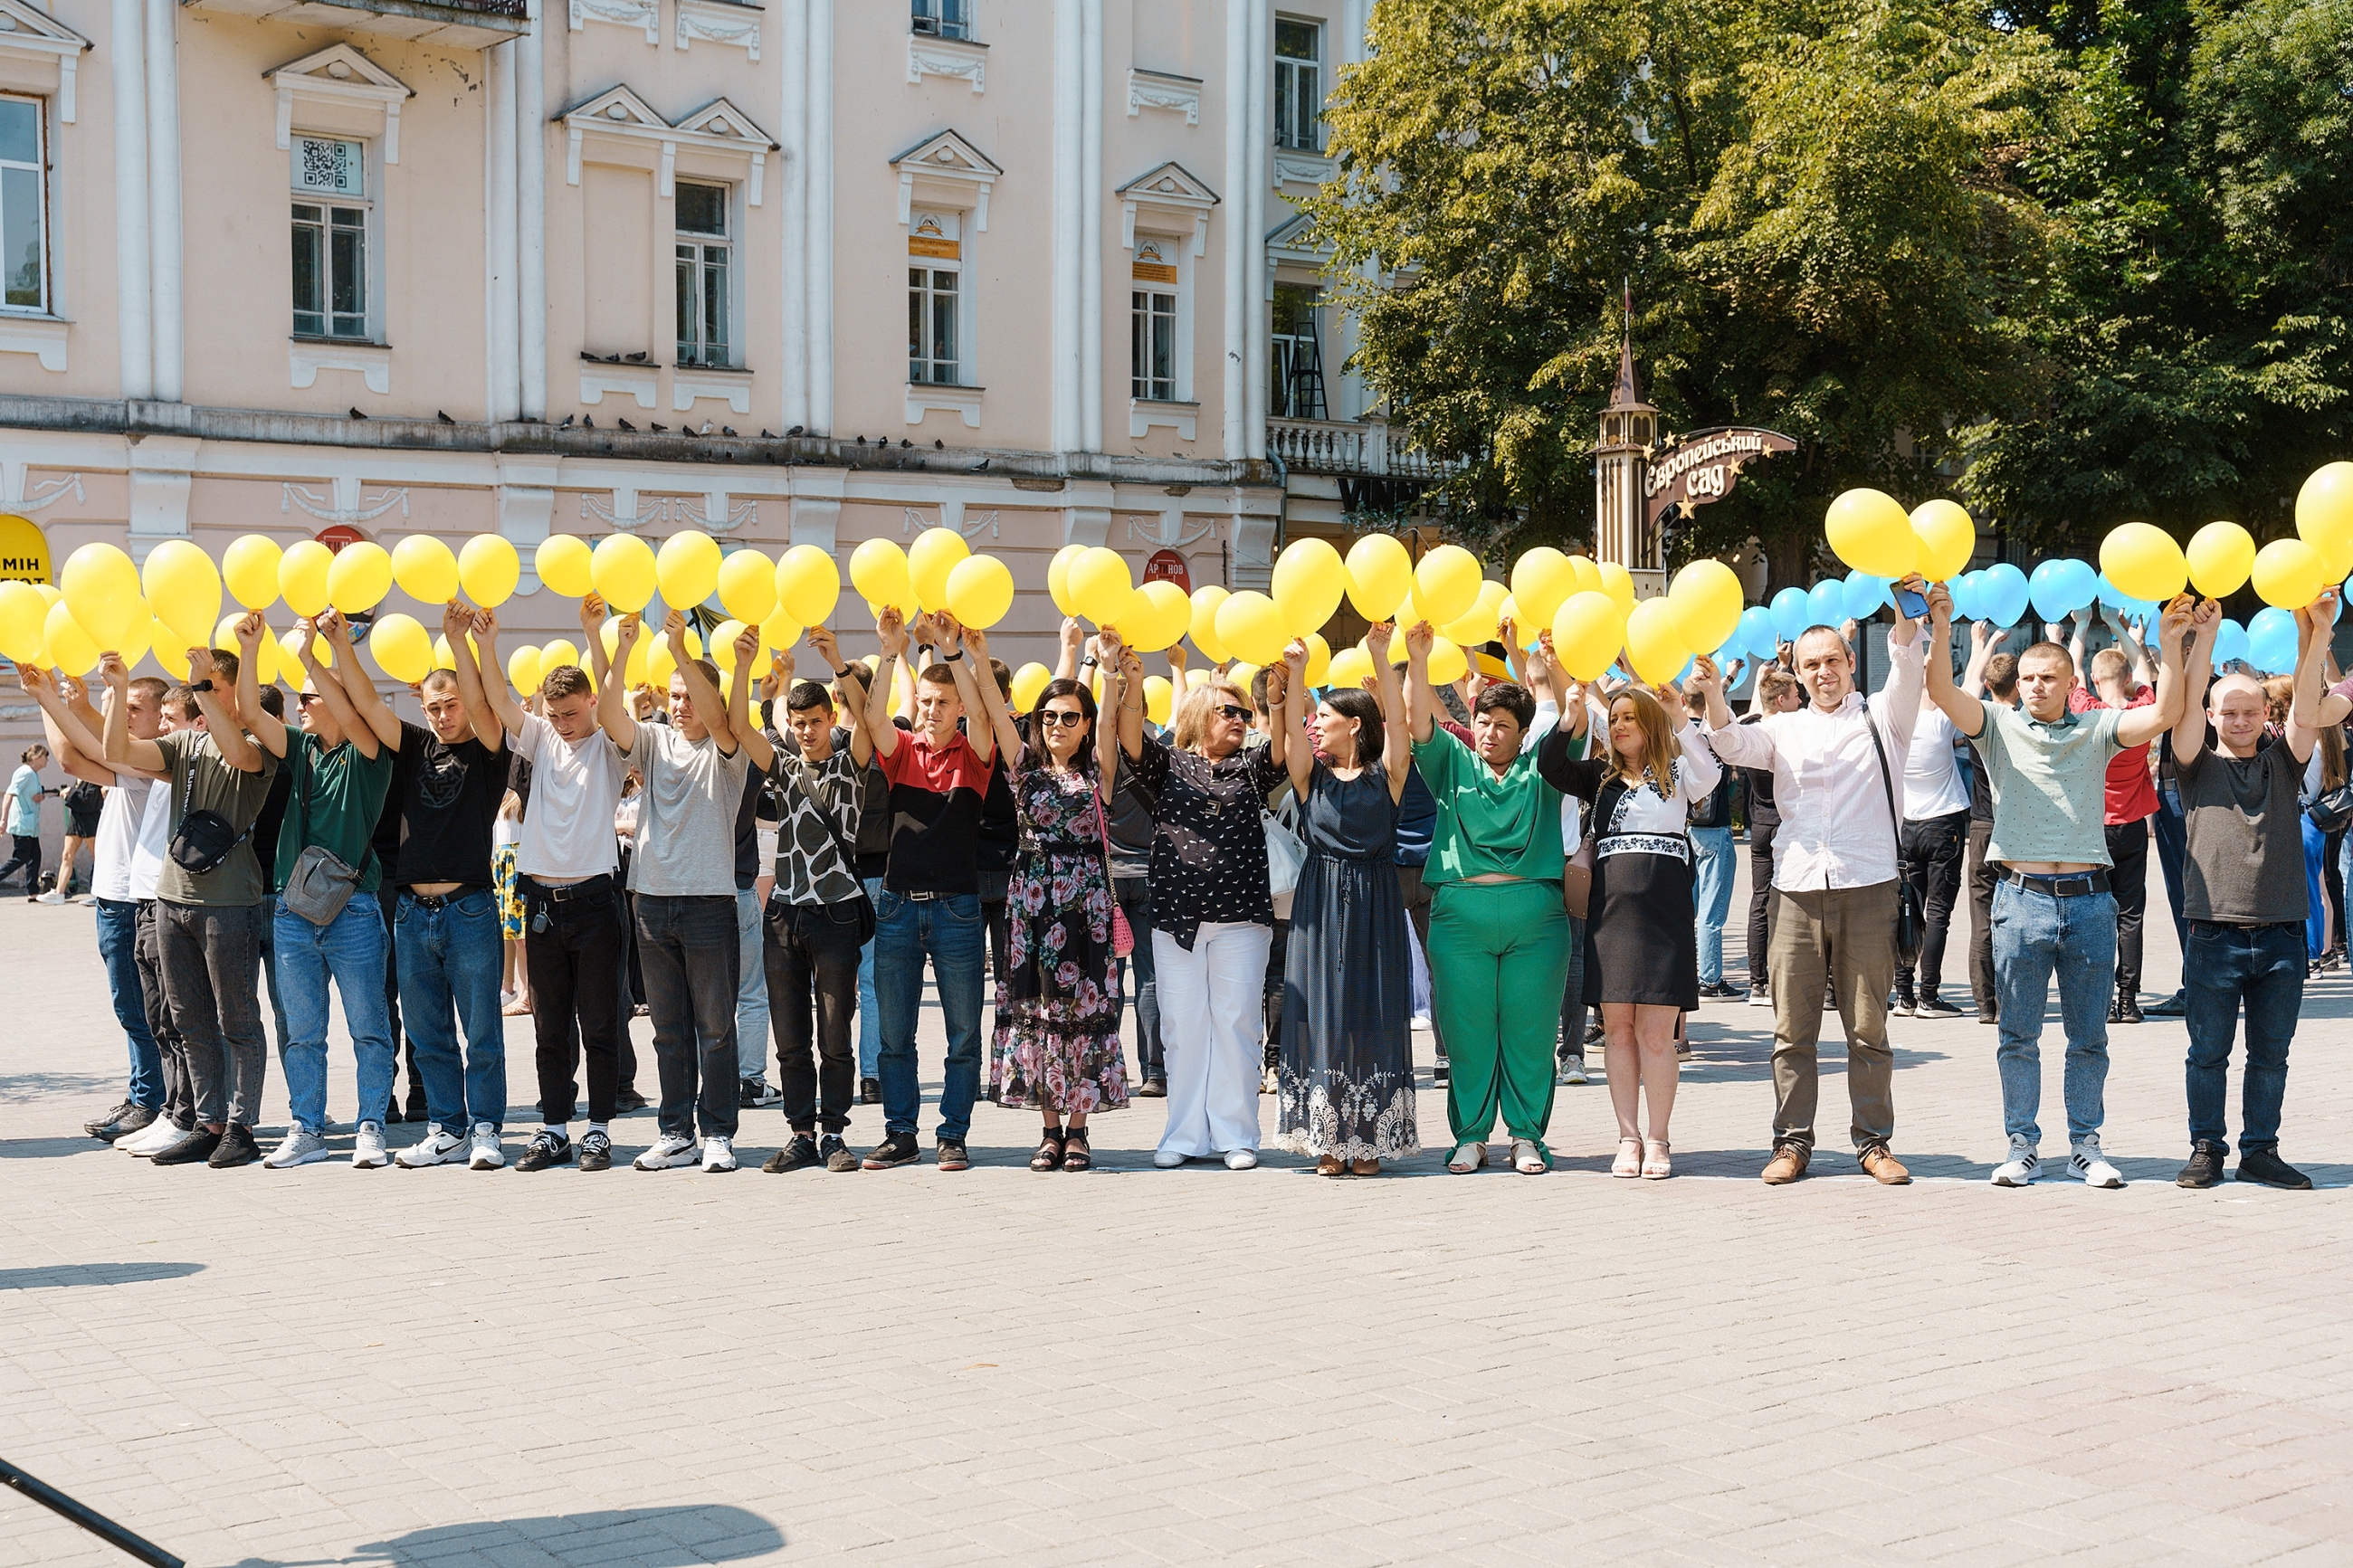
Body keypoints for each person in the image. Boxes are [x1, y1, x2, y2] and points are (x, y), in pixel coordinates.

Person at [1922, 586, 2192, 1189]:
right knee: (2018, 1034)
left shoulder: (2096, 728)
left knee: (2089, 1036)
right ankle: (2022, 1146)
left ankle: (2085, 1146)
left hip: (2091, 901)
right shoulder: (1994, 725)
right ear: (2015, 682)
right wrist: (1942, 627)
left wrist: (2170, 645)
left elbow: (2165, 715)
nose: (2036, 685)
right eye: (2027, 676)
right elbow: (1941, 692)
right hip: (2019, 902)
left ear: (2071, 681)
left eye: (2048, 676)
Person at [1700, 591, 1928, 1187]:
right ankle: (1791, 1142)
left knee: (1867, 1028)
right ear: (1796, 675)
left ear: (1851, 662)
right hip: (1797, 890)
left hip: (1869, 884)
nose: (1823, 672)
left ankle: (1874, 1142)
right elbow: (1728, 742)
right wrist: (1714, 693)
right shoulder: (1783, 729)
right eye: (1810, 664)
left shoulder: (1886, 717)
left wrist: (1908, 603)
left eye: (1832, 660)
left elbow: (1908, 660)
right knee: (1791, 1030)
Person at [332, 603, 512, 1172]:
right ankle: (446, 1127)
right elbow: (364, 702)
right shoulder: (412, 746)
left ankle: (485, 1128)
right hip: (412, 911)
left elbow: (485, 704)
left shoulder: (488, 750)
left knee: (481, 1027)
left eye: (450, 704)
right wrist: (340, 646)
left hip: (470, 907)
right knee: (428, 1031)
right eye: (433, 707)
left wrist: (458, 641)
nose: (442, 715)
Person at [1104, 633, 1282, 1171]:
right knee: (1182, 1027)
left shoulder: (1252, 767)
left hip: (1242, 920)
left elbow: (1282, 745)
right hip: (1176, 919)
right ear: (1202, 714)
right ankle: (1183, 1134)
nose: (1240, 720)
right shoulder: (1170, 765)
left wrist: (1278, 696)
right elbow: (1129, 736)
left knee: (1236, 1024)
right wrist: (1132, 681)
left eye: (1245, 713)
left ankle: (1236, 1135)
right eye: (1230, 711)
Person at [1403, 624, 1571, 1176]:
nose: (1491, 733)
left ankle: (1526, 1136)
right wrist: (1417, 658)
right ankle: (1470, 1136)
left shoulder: (1541, 766)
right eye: (1483, 722)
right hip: (1461, 918)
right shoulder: (1453, 761)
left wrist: (1550, 664)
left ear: (1523, 734)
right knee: (1468, 1030)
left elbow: (1572, 720)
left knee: (1530, 1031)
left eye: (1503, 726)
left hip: (1537, 921)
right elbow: (1418, 721)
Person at [233, 613, 398, 1170]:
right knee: (302, 1033)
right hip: (292, 911)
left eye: (310, 698)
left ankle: (371, 1123)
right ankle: (307, 1128)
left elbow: (353, 710)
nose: (302, 705)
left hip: (353, 910)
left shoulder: (367, 750)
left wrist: (313, 657)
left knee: (369, 1029)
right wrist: (251, 649)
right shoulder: (301, 748)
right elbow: (252, 711)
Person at [1545, 665, 1724, 1180]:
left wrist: (1676, 716)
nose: (1619, 726)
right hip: (1610, 917)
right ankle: (1628, 1138)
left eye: (1629, 718)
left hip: (1664, 917)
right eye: (1615, 718)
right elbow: (1550, 766)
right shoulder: (1597, 778)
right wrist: (1571, 716)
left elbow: (1710, 774)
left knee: (1656, 1036)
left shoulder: (1679, 774)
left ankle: (1660, 1139)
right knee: (1618, 1031)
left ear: (1649, 722)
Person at [2171, 594, 2325, 1189]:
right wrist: (2201, 639)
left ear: (2267, 715)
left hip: (2284, 931)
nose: (2239, 720)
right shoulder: (2194, 764)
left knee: (2270, 1056)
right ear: (2211, 715)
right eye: (2227, 711)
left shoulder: (2284, 763)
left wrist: (2315, 630)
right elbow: (2182, 711)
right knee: (2207, 1053)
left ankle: (2260, 1148)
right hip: (2213, 932)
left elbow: (2310, 710)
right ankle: (2207, 1146)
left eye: (2250, 712)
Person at [103, 646, 278, 1168]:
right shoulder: (185, 743)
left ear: (231, 693)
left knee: (237, 1019)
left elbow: (238, 753)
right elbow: (119, 749)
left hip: (229, 904)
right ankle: (209, 1122)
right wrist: (114, 690)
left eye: (214, 688)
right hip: (171, 900)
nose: (204, 697)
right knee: (188, 1019)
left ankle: (242, 1127)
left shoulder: (259, 745)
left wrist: (203, 688)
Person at [479, 600, 631, 1174]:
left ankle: (598, 1129)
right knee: (549, 1027)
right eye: (555, 712)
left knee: (599, 1023)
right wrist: (487, 646)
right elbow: (497, 701)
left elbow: (614, 697)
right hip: (540, 901)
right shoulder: (539, 739)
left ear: (590, 702)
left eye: (572, 711)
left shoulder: (611, 745)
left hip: (595, 900)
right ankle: (554, 1128)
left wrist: (602, 639)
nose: (564, 721)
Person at [602, 610, 756, 1174]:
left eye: (690, 693)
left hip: (710, 902)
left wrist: (682, 651)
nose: (682, 703)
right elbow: (607, 714)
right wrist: (621, 650)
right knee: (668, 1030)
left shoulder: (725, 751)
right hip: (651, 900)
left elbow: (720, 720)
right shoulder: (653, 742)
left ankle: (717, 1132)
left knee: (715, 1028)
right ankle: (676, 1132)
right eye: (674, 695)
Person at [1272, 626, 1415, 1175]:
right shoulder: (1312, 779)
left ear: (1354, 725)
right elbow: (1288, 736)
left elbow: (1398, 727)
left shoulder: (1388, 776)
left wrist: (1381, 656)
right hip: (1322, 900)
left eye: (1326, 718)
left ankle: (1370, 1138)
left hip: (1376, 899)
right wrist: (1300, 671)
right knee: (1323, 1012)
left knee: (1371, 1013)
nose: (1316, 725)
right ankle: (1329, 1138)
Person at [863, 607, 1000, 1173]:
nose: (932, 710)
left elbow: (989, 719)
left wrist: (952, 653)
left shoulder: (974, 756)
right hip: (896, 906)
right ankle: (901, 1133)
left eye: (943, 703)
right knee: (894, 1036)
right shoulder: (901, 750)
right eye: (924, 701)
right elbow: (872, 721)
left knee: (964, 1034)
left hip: (957, 911)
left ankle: (953, 1134)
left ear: (960, 708)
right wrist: (891, 649)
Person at [978, 652, 1127, 1174]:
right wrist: (973, 652)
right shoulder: (1024, 769)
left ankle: (1080, 1129)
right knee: (1040, 1012)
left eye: (1070, 716)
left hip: (1085, 904)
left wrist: (1107, 673)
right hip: (1032, 907)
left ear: (1085, 725)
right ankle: (1048, 1130)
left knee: (1082, 1009)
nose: (1058, 725)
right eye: (1049, 716)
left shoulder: (1098, 771)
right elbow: (998, 717)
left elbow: (1111, 721)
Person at [744, 633, 874, 1175]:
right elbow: (739, 729)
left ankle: (834, 1133)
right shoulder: (782, 766)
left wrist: (837, 663)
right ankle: (800, 1132)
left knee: (835, 1032)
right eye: (798, 724)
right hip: (786, 913)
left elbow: (868, 717)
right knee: (791, 1034)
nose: (807, 731)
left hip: (837, 912)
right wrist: (750, 673)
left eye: (815, 722)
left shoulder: (851, 763)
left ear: (829, 719)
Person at [20, 668, 169, 1140]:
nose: (123, 717)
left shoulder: (154, 763)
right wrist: (50, 699)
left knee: (138, 1008)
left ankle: (151, 1101)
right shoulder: (129, 760)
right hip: (114, 896)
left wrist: (49, 698)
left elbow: (69, 760)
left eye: (134, 710)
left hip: (131, 899)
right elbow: (70, 752)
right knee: (132, 1006)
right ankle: (145, 1095)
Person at [1896, 622, 1996, 1018]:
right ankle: (1929, 994)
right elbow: (1972, 682)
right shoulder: (1941, 722)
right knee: (1938, 912)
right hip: (1944, 826)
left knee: (1909, 907)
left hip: (1907, 827)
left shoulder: (1896, 727)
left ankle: (1903, 994)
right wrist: (1977, 644)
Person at [2068, 610, 2160, 1021]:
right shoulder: (2142, 711)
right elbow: (2144, 670)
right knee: (2131, 914)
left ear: (2095, 678)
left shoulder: (2088, 713)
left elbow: (2071, 671)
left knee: (2095, 915)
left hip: (2093, 830)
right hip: (2134, 826)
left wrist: (2081, 626)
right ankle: (2129, 999)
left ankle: (2103, 999)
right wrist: (2122, 629)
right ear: (2125, 680)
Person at [1736, 665, 1801, 1007]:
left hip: (1759, 823)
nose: (1801, 701)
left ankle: (1757, 982)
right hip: (1787, 823)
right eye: (1795, 696)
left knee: (1759, 901)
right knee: (1796, 899)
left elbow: (1750, 714)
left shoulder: (1751, 731)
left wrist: (1766, 674)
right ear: (1781, 699)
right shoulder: (1791, 732)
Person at [1684, 687, 1739, 1000]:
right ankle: (1711, 979)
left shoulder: (1678, 734)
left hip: (1688, 828)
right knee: (1712, 911)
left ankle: (1689, 972)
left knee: (1687, 908)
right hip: (1714, 828)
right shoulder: (1712, 736)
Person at [2, 741, 50, 896]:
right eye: (45, 756)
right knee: (20, 858)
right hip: (23, 824)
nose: (47, 760)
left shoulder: (33, 775)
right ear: (36, 757)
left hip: (31, 826)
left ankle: (33, 892)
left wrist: (40, 796)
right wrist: (3, 819)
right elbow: (10, 793)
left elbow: (29, 795)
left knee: (35, 857)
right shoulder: (26, 773)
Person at [47, 770, 102, 901]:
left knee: (98, 857)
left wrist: (69, 794)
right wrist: (71, 793)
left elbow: (88, 801)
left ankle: (99, 893)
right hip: (76, 821)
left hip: (90, 822)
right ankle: (59, 893)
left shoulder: (94, 778)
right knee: (67, 856)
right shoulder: (79, 780)